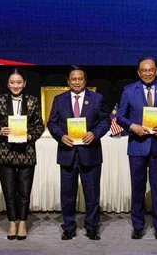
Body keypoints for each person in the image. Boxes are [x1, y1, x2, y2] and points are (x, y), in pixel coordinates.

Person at [115, 57, 157, 240]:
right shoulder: (128, 90)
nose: (148, 73)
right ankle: (138, 225)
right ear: (138, 72)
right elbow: (120, 117)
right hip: (137, 146)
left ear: (156, 71)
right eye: (144, 70)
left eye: (151, 70)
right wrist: (132, 126)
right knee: (137, 188)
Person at [46, 66, 110, 241]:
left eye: (80, 79)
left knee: (92, 193)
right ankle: (68, 227)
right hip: (67, 153)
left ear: (85, 80)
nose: (76, 82)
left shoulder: (97, 99)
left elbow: (105, 121)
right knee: (67, 194)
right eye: (73, 79)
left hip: (90, 153)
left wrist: (94, 134)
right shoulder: (59, 100)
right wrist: (61, 136)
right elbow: (52, 123)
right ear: (68, 81)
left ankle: (92, 226)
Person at [0, 68, 45, 241]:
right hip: (6, 152)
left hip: (26, 152)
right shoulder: (0, 101)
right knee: (9, 191)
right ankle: (12, 222)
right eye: (12, 82)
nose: (15, 85)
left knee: (24, 192)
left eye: (19, 82)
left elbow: (39, 126)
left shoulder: (33, 102)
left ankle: (23, 223)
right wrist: (0, 130)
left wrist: (30, 135)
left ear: (25, 83)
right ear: (7, 84)